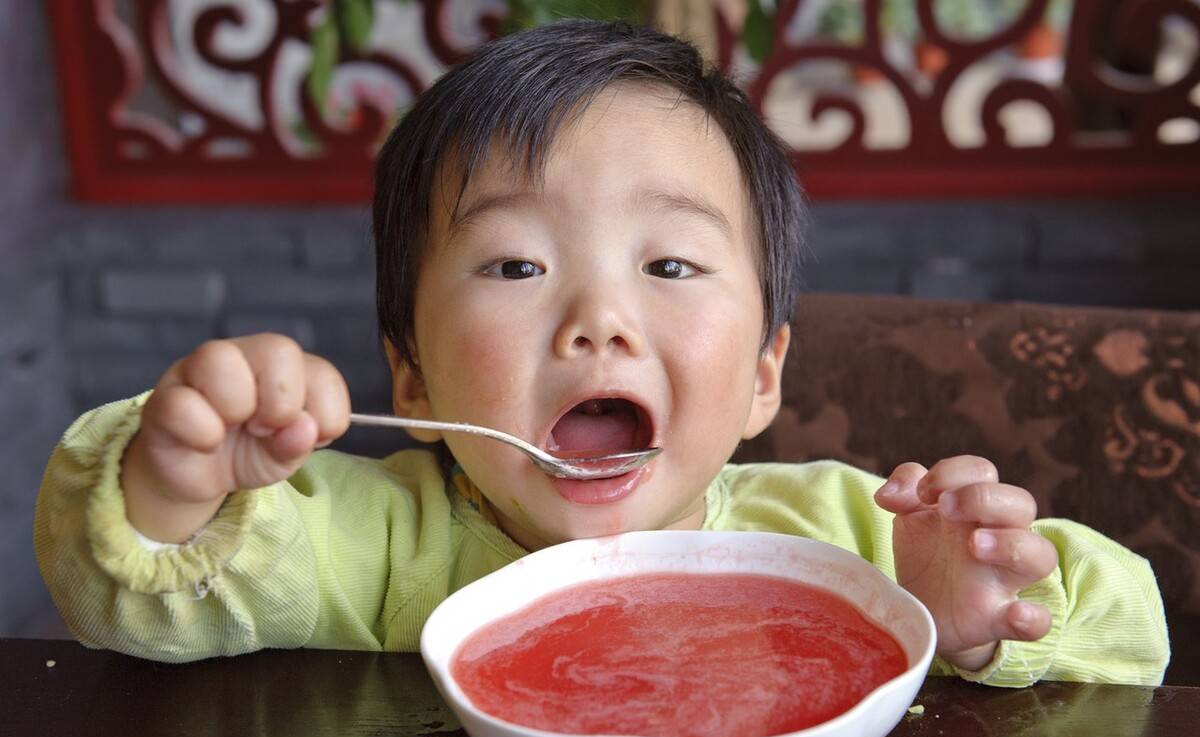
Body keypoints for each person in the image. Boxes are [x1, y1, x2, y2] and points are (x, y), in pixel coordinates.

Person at [35, 20, 1167, 685]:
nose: (599, 322)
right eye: (518, 267)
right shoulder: (377, 543)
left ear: (765, 376)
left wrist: (975, 613)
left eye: (669, 267)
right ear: (416, 383)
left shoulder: (850, 539)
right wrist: (177, 485)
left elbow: (1137, 639)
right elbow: (138, 603)